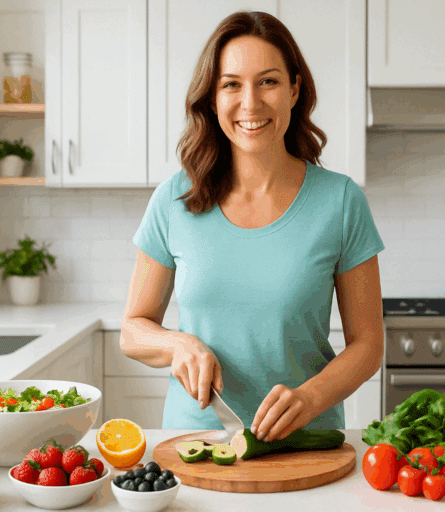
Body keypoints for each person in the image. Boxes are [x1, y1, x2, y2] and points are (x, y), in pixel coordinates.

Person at [120, 11, 384, 444]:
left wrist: (310, 398)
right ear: (212, 98)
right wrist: (179, 345)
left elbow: (368, 343)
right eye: (231, 84)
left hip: (306, 445)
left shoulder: (340, 201)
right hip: (196, 444)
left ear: (294, 89)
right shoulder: (174, 199)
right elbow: (133, 327)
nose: (250, 103)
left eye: (268, 81)